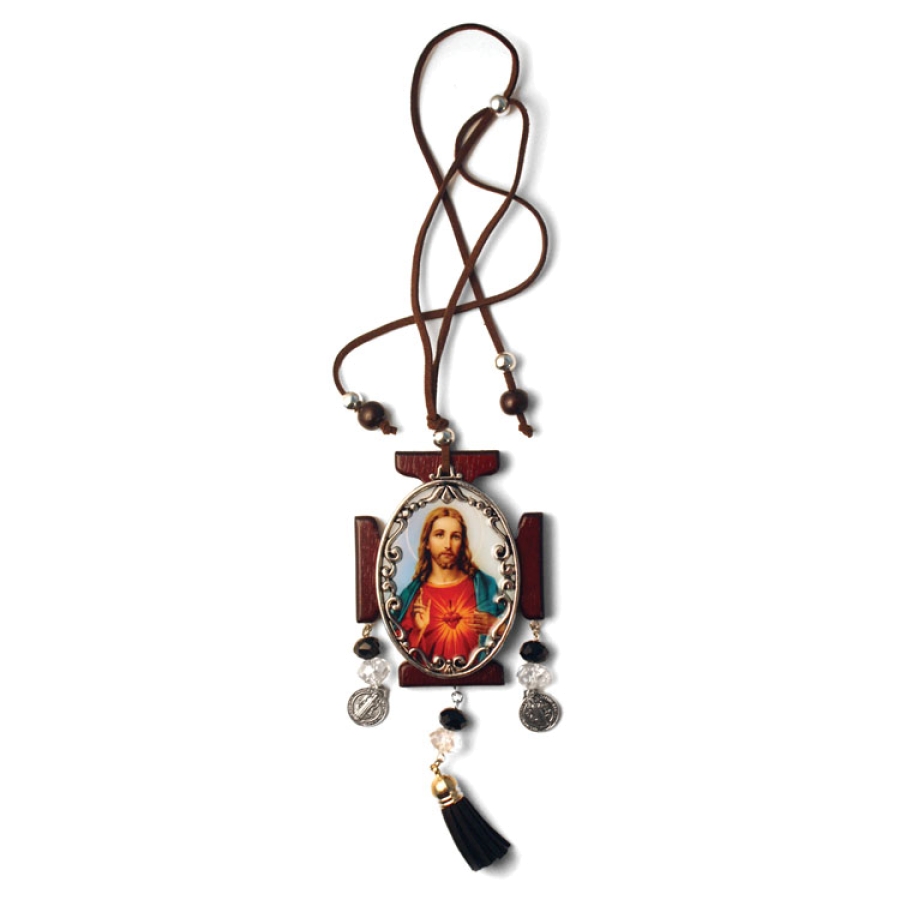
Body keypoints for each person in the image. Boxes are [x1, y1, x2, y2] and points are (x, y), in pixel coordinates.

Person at [396, 506, 503, 664]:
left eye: (455, 537)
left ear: (462, 543)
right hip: (428, 677)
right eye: (439, 535)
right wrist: (419, 630)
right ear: (427, 542)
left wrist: (496, 626)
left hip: (481, 671)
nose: (447, 544)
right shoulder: (412, 597)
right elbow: (402, 649)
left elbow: (509, 627)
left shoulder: (485, 586)